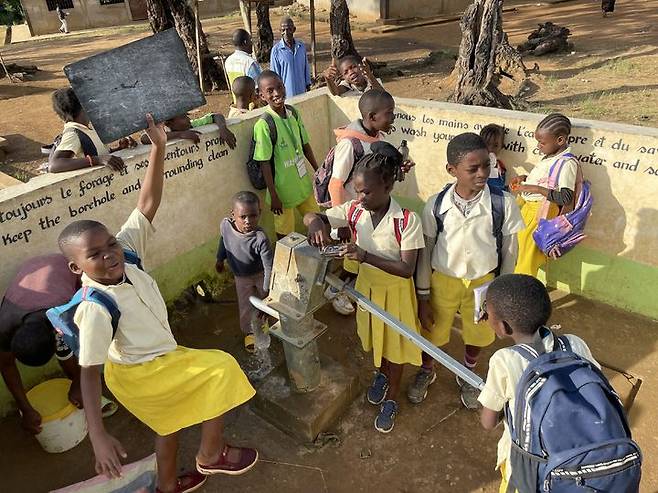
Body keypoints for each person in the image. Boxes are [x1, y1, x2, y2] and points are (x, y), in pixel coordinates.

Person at [57, 114, 257, 493]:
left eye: (110, 245)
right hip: (140, 373)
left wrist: (159, 147)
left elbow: (146, 203)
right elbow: (87, 372)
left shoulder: (127, 255)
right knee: (221, 369)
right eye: (95, 255)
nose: (109, 256)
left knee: (171, 424)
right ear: (76, 266)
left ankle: (167, 485)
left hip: (161, 356)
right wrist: (97, 436)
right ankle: (211, 456)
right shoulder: (96, 305)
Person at [304, 143, 425, 433]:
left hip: (395, 295)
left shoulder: (407, 221)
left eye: (366, 192)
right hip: (368, 292)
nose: (360, 197)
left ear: (388, 185)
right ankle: (381, 375)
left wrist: (365, 256)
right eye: (357, 191)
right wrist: (315, 224)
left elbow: (407, 269)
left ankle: (392, 398)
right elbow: (313, 216)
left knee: (395, 349)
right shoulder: (355, 211)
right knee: (377, 341)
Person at [412, 133, 524, 410]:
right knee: (434, 330)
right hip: (443, 281)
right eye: (472, 169)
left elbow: (510, 250)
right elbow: (426, 251)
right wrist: (423, 296)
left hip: (483, 284)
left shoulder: (502, 203)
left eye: (486, 165)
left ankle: (467, 372)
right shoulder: (436, 205)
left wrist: (502, 294)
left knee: (478, 332)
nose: (483, 173)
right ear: (452, 170)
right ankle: (428, 369)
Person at [478, 273, 599, 492]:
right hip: (580, 457)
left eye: (488, 311)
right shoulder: (574, 344)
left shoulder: (505, 360)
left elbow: (488, 421)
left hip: (528, 468)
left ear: (503, 327)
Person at [324, 89, 395, 316]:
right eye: (389, 114)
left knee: (357, 258)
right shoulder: (350, 144)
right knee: (351, 259)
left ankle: (339, 289)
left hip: (365, 210)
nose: (393, 118)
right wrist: (341, 224)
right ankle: (337, 293)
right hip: (350, 214)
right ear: (373, 117)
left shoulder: (375, 138)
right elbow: (335, 185)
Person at [0, 255, 81, 433]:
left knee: (68, 348)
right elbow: (5, 364)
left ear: (55, 333)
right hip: (34, 269)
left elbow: (84, 346)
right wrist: (25, 408)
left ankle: (80, 384)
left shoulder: (65, 310)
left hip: (66, 266)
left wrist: (79, 381)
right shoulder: (3, 326)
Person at [253, 70, 319, 239]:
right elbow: (264, 163)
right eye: (270, 91)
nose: (277, 93)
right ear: (261, 96)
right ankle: (288, 264)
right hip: (282, 191)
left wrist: (319, 171)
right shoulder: (264, 124)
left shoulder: (293, 113)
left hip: (302, 183)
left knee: (318, 222)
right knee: (285, 234)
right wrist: (274, 196)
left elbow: (305, 145)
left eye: (280, 87)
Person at [512, 113, 578, 277]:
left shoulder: (567, 163)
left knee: (526, 257)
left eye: (542, 143)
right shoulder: (551, 156)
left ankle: (521, 293)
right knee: (520, 250)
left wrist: (534, 189)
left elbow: (565, 197)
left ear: (560, 140)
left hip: (540, 214)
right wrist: (525, 180)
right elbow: (548, 180)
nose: (539, 146)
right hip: (529, 210)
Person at [216, 191, 273, 353]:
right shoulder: (226, 226)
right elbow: (223, 241)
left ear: (259, 214)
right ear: (233, 214)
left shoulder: (260, 238)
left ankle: (265, 325)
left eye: (253, 216)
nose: (248, 221)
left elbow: (268, 266)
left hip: (261, 274)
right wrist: (220, 259)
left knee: (266, 303)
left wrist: (267, 291)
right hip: (241, 276)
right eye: (243, 217)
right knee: (246, 305)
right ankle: (249, 332)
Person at [49, 87, 135, 173]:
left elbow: (100, 155)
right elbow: (54, 165)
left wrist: (119, 149)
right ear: (84, 106)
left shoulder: (87, 129)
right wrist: (97, 160)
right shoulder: (73, 133)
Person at [140, 112, 236, 149]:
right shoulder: (164, 131)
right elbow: (145, 139)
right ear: (169, 123)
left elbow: (216, 115)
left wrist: (223, 128)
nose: (188, 119)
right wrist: (180, 134)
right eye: (183, 117)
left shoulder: (192, 125)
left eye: (187, 116)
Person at [269, 16, 311, 98]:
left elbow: (306, 68)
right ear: (280, 31)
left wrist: (308, 85)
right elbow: (275, 74)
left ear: (294, 29)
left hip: (302, 92)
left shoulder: (301, 47)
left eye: (289, 29)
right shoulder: (276, 50)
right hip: (287, 95)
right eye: (283, 30)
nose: (286, 33)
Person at [480, 123, 507, 192]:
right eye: (487, 144)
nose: (490, 149)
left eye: (495, 145)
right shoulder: (476, 165)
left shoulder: (500, 167)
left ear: (501, 147)